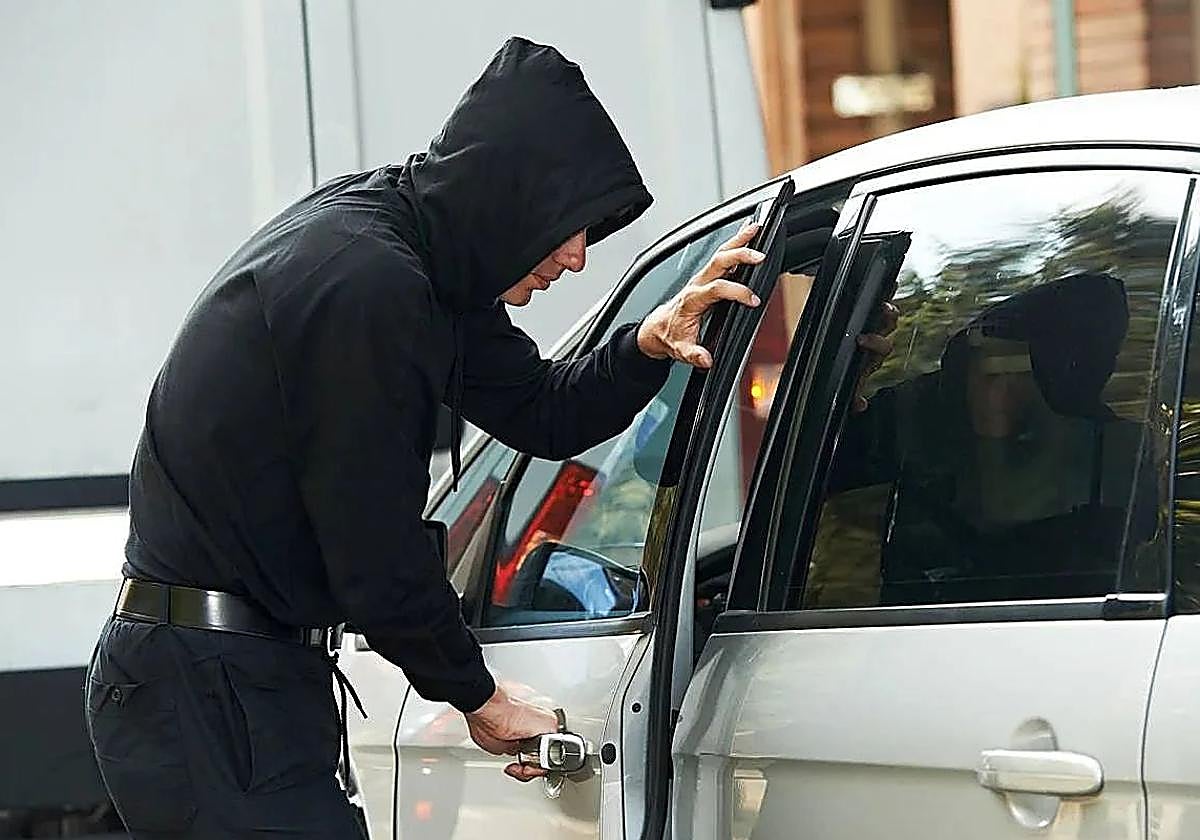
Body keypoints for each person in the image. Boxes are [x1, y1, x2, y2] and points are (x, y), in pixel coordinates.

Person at [82, 37, 776, 838]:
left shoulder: (419, 260)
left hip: (235, 679)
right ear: (508, 198)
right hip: (208, 687)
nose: (578, 258)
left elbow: (543, 410)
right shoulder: (368, 284)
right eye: (568, 226)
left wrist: (646, 344)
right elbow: (374, 552)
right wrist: (478, 695)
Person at [823, 271, 1156, 606]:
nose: (996, 390)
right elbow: (811, 470)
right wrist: (841, 390)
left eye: (1017, 369)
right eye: (987, 368)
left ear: (1063, 384)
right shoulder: (919, 428)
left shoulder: (1122, 466)